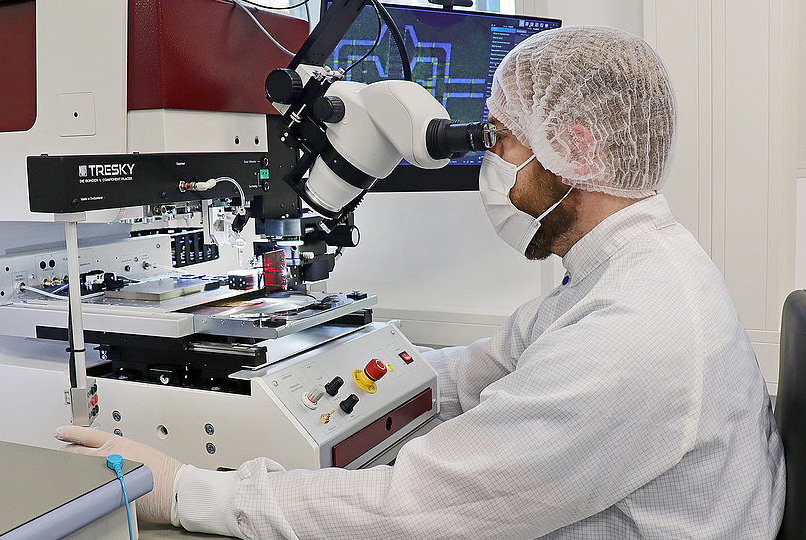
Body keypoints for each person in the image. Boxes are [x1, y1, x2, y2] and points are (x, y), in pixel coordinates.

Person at [56, 26, 785, 538]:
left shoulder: (634, 332)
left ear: (580, 149)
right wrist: (330, 379)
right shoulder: (627, 271)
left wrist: (186, 490)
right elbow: (477, 371)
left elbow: (418, 511)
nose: (490, 163)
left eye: (500, 141)